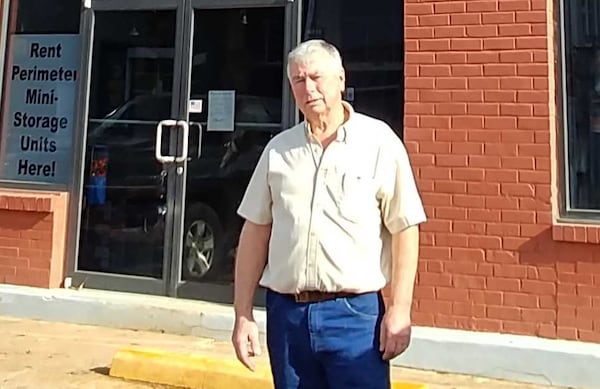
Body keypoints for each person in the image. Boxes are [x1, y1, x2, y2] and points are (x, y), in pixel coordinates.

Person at [231, 39, 426, 389]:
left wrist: (400, 309)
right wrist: (242, 313)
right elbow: (255, 231)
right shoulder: (279, 151)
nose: (308, 89)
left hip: (355, 318)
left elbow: (405, 228)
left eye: (317, 77)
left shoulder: (379, 142)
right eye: (298, 80)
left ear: (340, 78)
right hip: (287, 318)